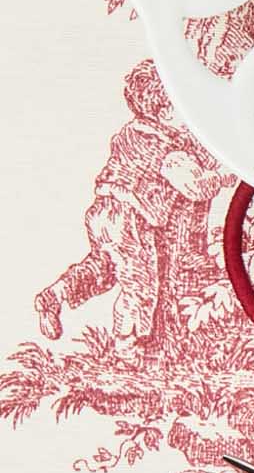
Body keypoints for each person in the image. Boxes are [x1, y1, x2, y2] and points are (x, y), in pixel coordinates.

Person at [35, 62, 225, 345]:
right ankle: (127, 344)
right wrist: (223, 176)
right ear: (166, 111)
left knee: (104, 266)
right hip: (130, 218)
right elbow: (194, 186)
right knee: (140, 284)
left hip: (104, 213)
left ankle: (56, 295)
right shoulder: (159, 144)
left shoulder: (131, 133)